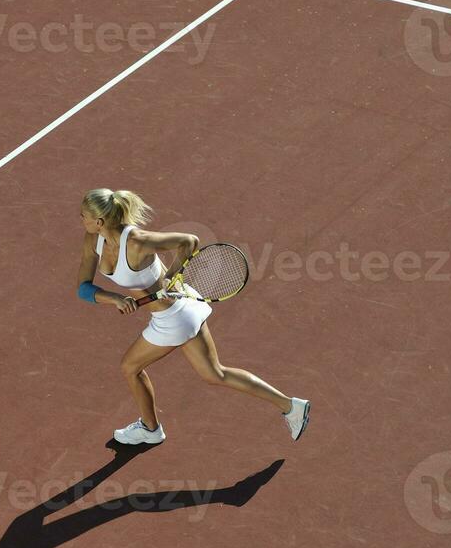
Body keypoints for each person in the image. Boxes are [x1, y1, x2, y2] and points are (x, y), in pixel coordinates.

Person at [75, 188, 309, 444]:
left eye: (83, 215)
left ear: (99, 221)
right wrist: (114, 298)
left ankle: (150, 429)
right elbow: (83, 288)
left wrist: (170, 276)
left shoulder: (137, 241)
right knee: (214, 373)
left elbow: (189, 241)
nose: (81, 219)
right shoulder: (93, 240)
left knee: (130, 367)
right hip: (180, 309)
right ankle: (291, 406)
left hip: (174, 317)